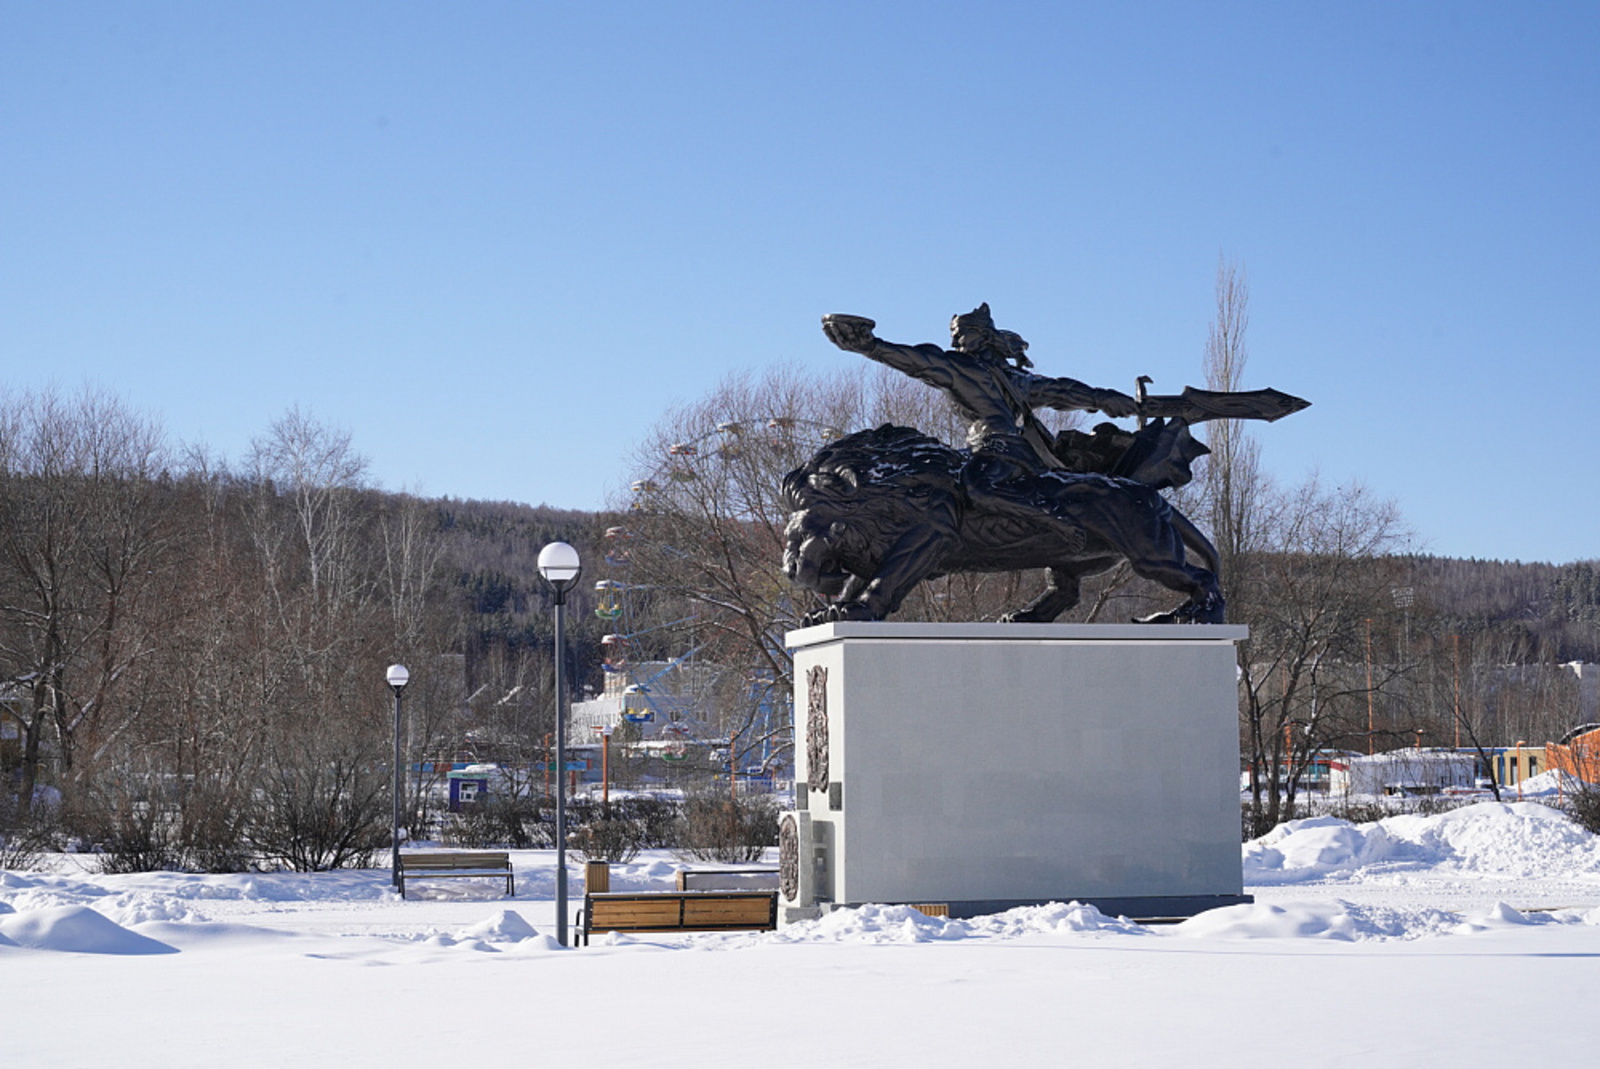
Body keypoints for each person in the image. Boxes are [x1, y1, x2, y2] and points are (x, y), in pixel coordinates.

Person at [822, 304, 1144, 548]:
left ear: (984, 336)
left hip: (999, 451)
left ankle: (1055, 519)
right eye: (954, 336)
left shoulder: (972, 370)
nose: (956, 340)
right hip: (1001, 452)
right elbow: (1063, 391)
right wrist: (1103, 399)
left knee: (977, 488)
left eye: (962, 333)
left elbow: (921, 362)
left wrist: (872, 347)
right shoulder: (1004, 376)